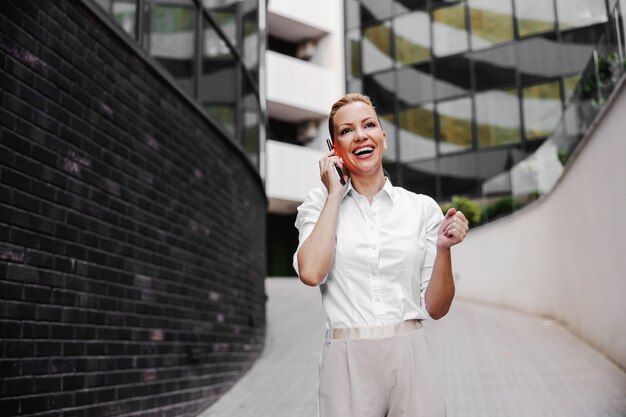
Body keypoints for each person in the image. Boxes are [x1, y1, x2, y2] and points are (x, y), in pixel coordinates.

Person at [292, 93, 469, 417]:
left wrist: (443, 250)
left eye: (368, 125)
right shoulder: (318, 205)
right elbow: (312, 273)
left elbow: (437, 308)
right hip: (345, 359)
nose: (360, 135)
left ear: (382, 138)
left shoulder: (420, 208)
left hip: (410, 351)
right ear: (334, 149)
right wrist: (334, 193)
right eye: (347, 131)